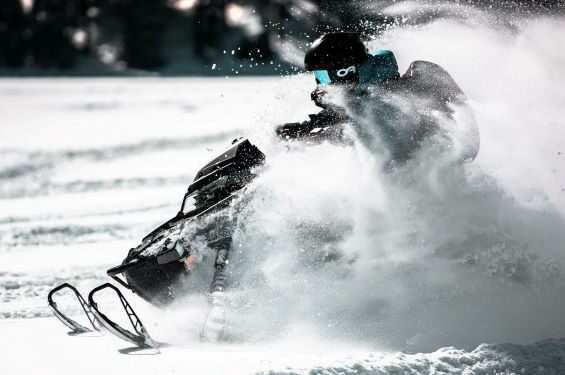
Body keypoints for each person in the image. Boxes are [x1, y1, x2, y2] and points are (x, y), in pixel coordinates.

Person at [277, 32, 479, 164]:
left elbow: (367, 117)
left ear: (344, 72)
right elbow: (356, 130)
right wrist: (311, 135)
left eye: (324, 77)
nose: (322, 85)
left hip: (419, 189)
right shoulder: (366, 98)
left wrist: (312, 127)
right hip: (397, 188)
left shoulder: (398, 94)